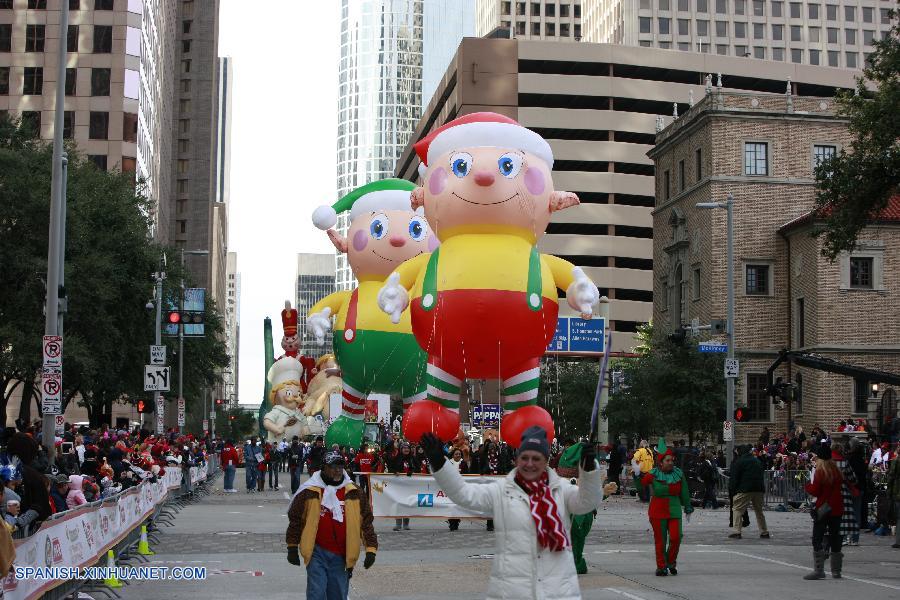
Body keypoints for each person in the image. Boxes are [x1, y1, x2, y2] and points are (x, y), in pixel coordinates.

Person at [422, 427, 613, 600]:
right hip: (512, 591)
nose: (530, 463)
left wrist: (589, 472)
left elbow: (587, 502)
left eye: (536, 458)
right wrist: (440, 463)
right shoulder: (501, 490)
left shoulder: (561, 489)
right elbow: (465, 494)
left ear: (546, 461)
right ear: (516, 459)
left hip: (559, 591)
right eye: (525, 457)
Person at [286, 451, 377, 600]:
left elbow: (366, 522)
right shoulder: (309, 491)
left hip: (342, 556)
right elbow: (296, 520)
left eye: (340, 466)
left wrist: (371, 549)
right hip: (317, 552)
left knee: (337, 596)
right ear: (323, 468)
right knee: (317, 594)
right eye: (333, 466)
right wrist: (292, 547)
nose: (337, 470)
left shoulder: (354, 492)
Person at [641, 440, 693, 576]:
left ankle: (671, 561)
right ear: (661, 462)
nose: (671, 462)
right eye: (668, 460)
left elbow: (684, 492)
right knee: (661, 540)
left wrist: (687, 507)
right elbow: (641, 484)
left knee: (676, 537)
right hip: (657, 510)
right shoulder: (653, 474)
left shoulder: (678, 474)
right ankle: (662, 566)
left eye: (672, 460)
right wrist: (636, 472)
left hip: (674, 508)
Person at [803, 443, 845, 579]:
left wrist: (808, 485)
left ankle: (819, 570)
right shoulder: (836, 471)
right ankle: (836, 570)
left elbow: (816, 491)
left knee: (817, 538)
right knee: (835, 537)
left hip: (823, 508)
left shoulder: (821, 471)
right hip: (837, 508)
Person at [728, 444, 769, 539]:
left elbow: (734, 478)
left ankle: (736, 531)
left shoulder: (739, 462)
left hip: (745, 489)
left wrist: (733, 491)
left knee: (737, 509)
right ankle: (764, 531)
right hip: (758, 489)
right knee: (759, 511)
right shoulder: (757, 461)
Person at [387, 442, 416, 531]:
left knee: (408, 504)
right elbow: (390, 468)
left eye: (408, 448)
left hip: (409, 486)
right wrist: (395, 472)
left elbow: (418, 468)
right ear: (401, 449)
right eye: (404, 448)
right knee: (398, 504)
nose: (406, 449)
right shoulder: (396, 458)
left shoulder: (413, 459)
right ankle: (398, 524)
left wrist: (412, 471)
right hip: (398, 486)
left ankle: (406, 524)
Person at [888, 445, 900, 549]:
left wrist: (889, 492)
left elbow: (891, 476)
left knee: (899, 517)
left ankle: (898, 541)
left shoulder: (896, 461)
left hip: (897, 491)